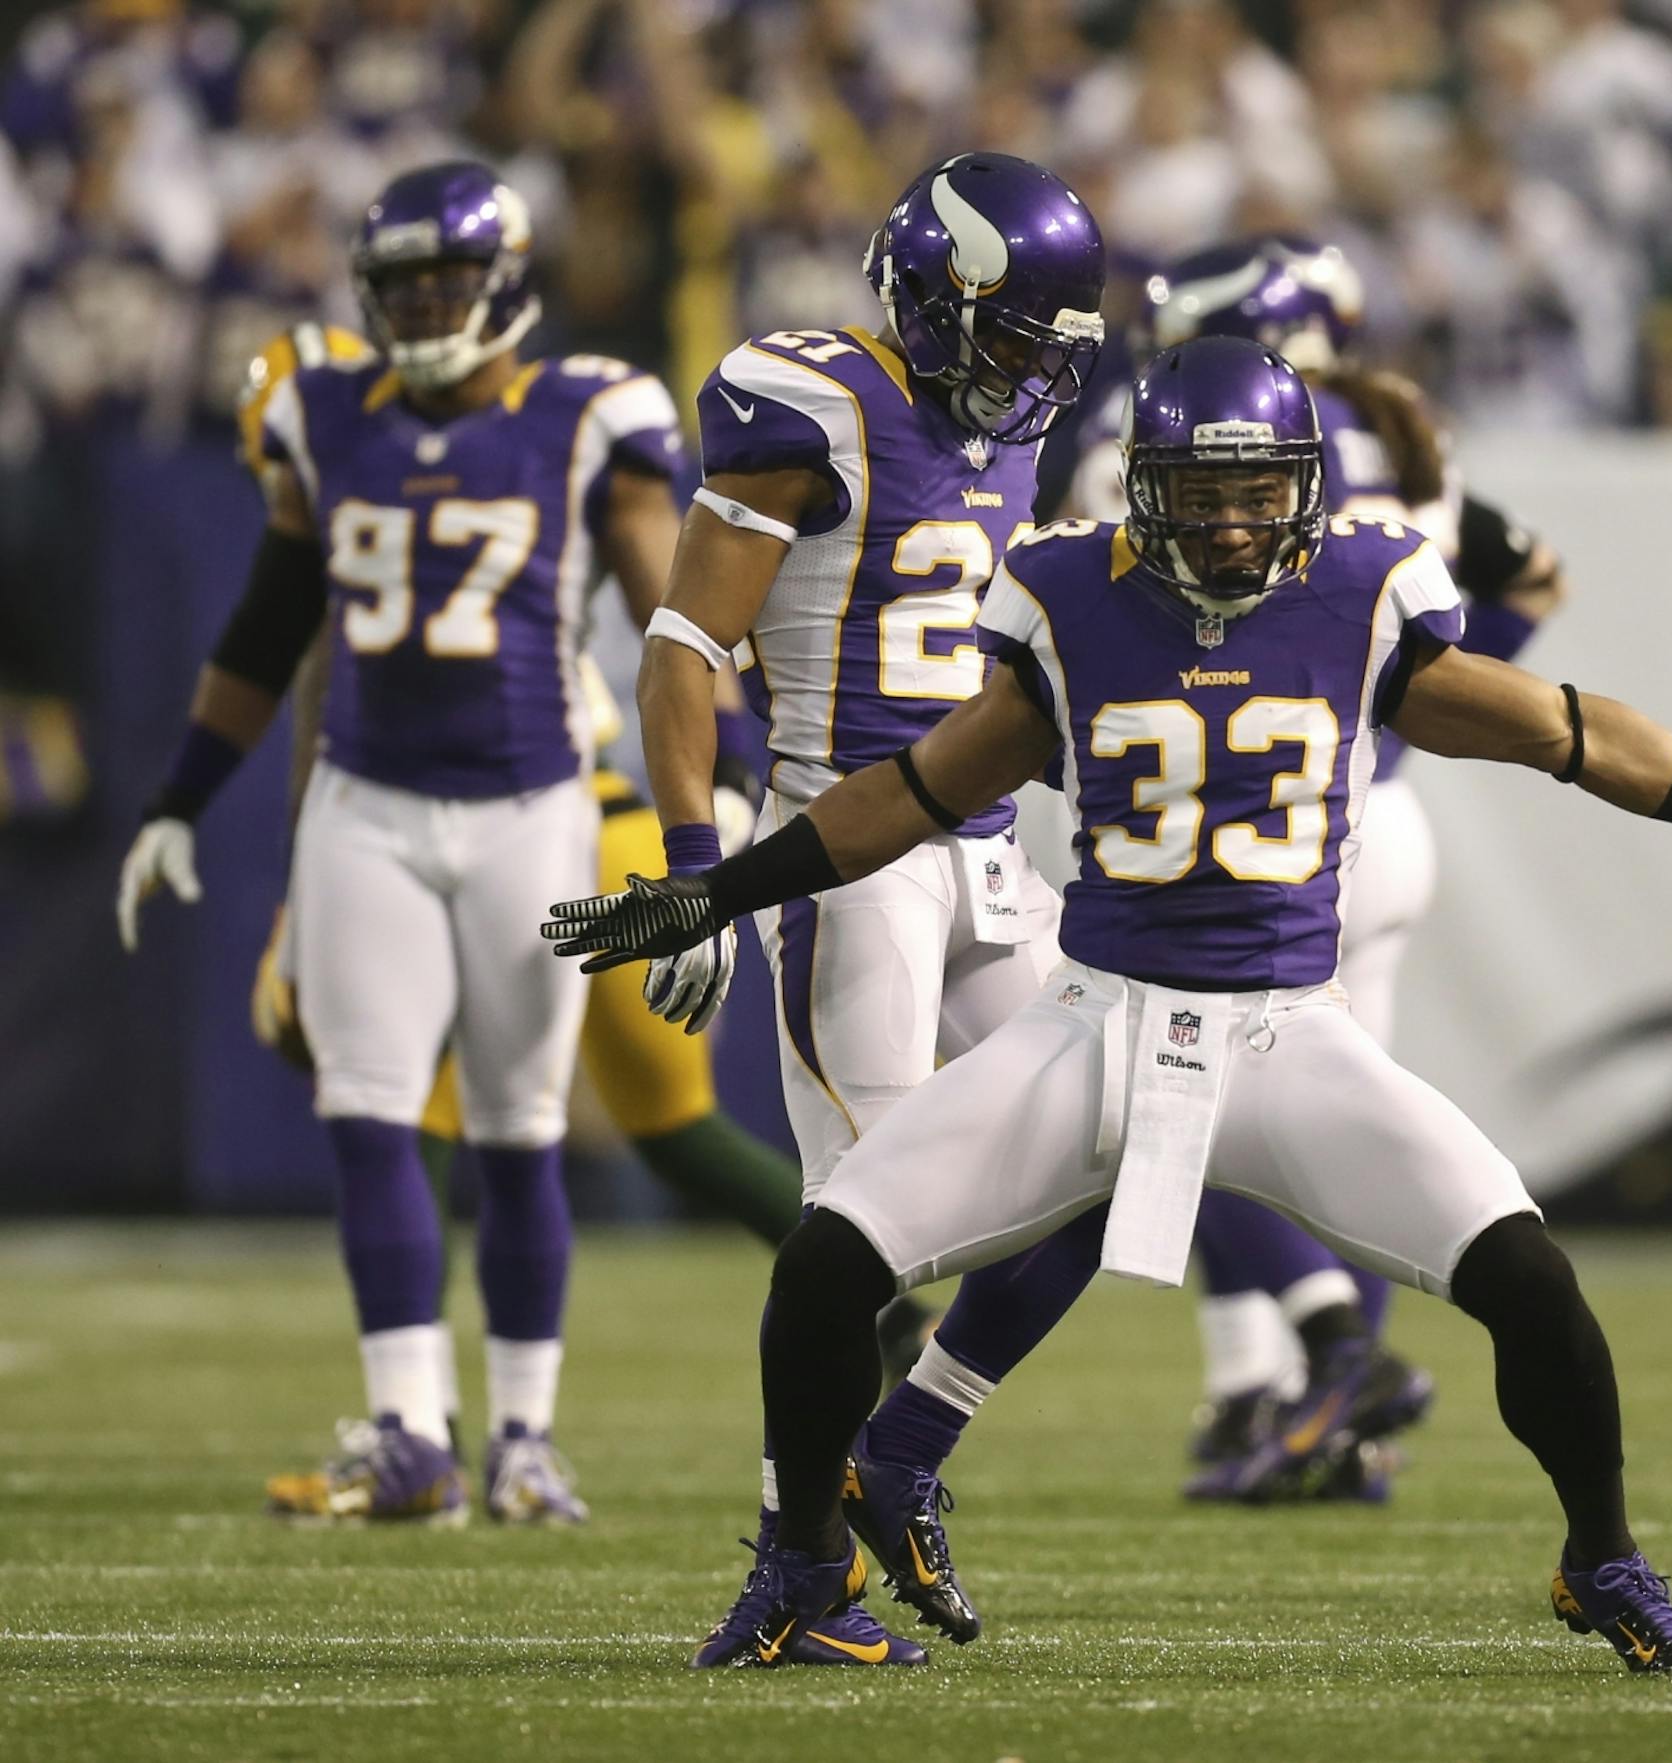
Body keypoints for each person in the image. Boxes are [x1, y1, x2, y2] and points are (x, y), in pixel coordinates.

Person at [548, 334, 1672, 1673]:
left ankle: (1605, 1556)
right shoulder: (1075, 597)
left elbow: (1567, 727)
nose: (1229, 522)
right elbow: (911, 794)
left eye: (1257, 490)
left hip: (1288, 1034)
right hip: (1095, 1019)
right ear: (1143, 488)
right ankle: (801, 1566)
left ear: (1303, 485)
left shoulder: (1365, 596)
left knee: (1530, 1277)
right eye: (1200, 493)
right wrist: (718, 887)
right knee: (826, 1265)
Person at [116, 162, 686, 1524]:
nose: (427, 309)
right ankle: (411, 1432)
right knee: (369, 1119)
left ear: (504, 286)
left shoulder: (592, 414)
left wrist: (705, 809)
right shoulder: (320, 415)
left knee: (520, 1130)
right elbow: (266, 627)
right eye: (405, 288)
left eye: (448, 284)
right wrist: (180, 795)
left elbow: (677, 635)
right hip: (363, 807)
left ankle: (529, 1435)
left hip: (533, 805)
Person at [621, 150, 1108, 1664]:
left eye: (1052, 346)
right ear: (937, 297)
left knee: (1119, 1138)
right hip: (850, 852)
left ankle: (900, 1450)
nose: (1033, 374)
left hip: (989, 850)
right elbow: (682, 644)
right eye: (1015, 335)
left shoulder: (1005, 430)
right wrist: (697, 864)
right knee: (875, 1229)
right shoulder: (809, 401)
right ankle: (797, 1564)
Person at [1079, 235, 1571, 1500]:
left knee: (1176, 1114)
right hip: (1377, 818)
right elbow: (1533, 578)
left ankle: (1327, 1361)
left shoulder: (1189, 451)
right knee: (1336, 1136)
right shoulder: (1408, 430)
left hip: (1255, 836)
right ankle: (1326, 1414)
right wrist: (1403, 711)